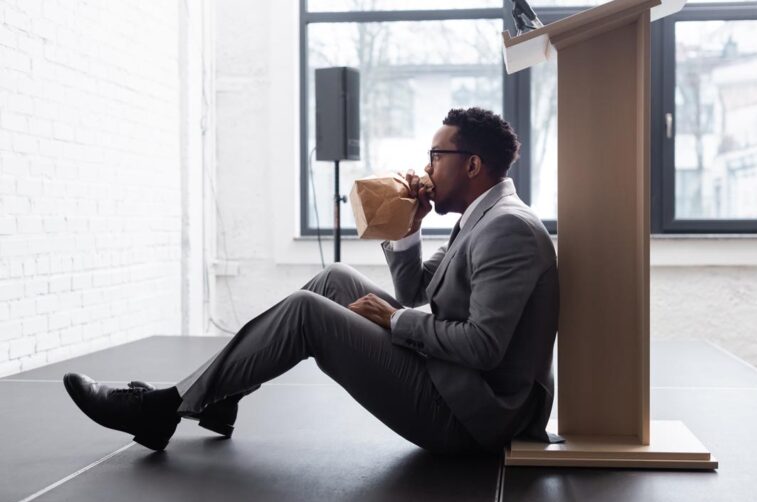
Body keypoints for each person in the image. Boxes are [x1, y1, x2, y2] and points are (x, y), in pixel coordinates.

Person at [63, 107, 562, 456]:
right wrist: (407, 229)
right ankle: (221, 398)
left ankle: (162, 408)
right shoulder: (481, 217)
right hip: (456, 384)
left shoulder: (506, 229)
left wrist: (394, 320)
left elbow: (483, 347)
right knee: (334, 279)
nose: (425, 167)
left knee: (306, 311)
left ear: (472, 165)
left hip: (472, 416)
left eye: (436, 155)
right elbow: (418, 293)